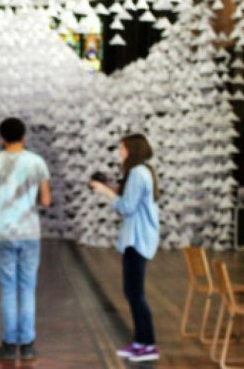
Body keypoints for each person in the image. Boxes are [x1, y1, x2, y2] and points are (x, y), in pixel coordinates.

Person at [0, 117, 52, 362]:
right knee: (28, 288)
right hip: (30, 232)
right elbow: (46, 201)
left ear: (2, 138)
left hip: (3, 233)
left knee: (8, 288)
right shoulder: (37, 162)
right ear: (24, 137)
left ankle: (9, 345)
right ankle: (27, 344)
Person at [90, 134, 161, 363]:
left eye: (122, 148)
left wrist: (105, 192)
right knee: (132, 292)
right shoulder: (142, 172)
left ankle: (148, 344)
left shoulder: (138, 173)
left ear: (131, 150)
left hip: (137, 240)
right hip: (136, 238)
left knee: (135, 293)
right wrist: (112, 188)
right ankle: (140, 341)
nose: (119, 152)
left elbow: (126, 207)